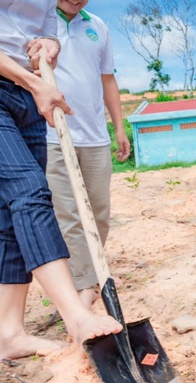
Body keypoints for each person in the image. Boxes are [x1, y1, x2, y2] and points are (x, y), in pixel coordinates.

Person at [0, 0, 122, 360]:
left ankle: (9, 333)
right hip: (21, 84)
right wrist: (30, 81)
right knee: (30, 193)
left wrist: (49, 45)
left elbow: (43, 27)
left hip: (30, 94)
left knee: (9, 219)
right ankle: (76, 315)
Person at [46, 0, 130, 310]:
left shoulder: (98, 26)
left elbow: (107, 79)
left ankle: (89, 276)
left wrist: (118, 128)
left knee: (99, 213)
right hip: (52, 134)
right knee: (68, 214)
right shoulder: (38, 21)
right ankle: (84, 286)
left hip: (94, 135)